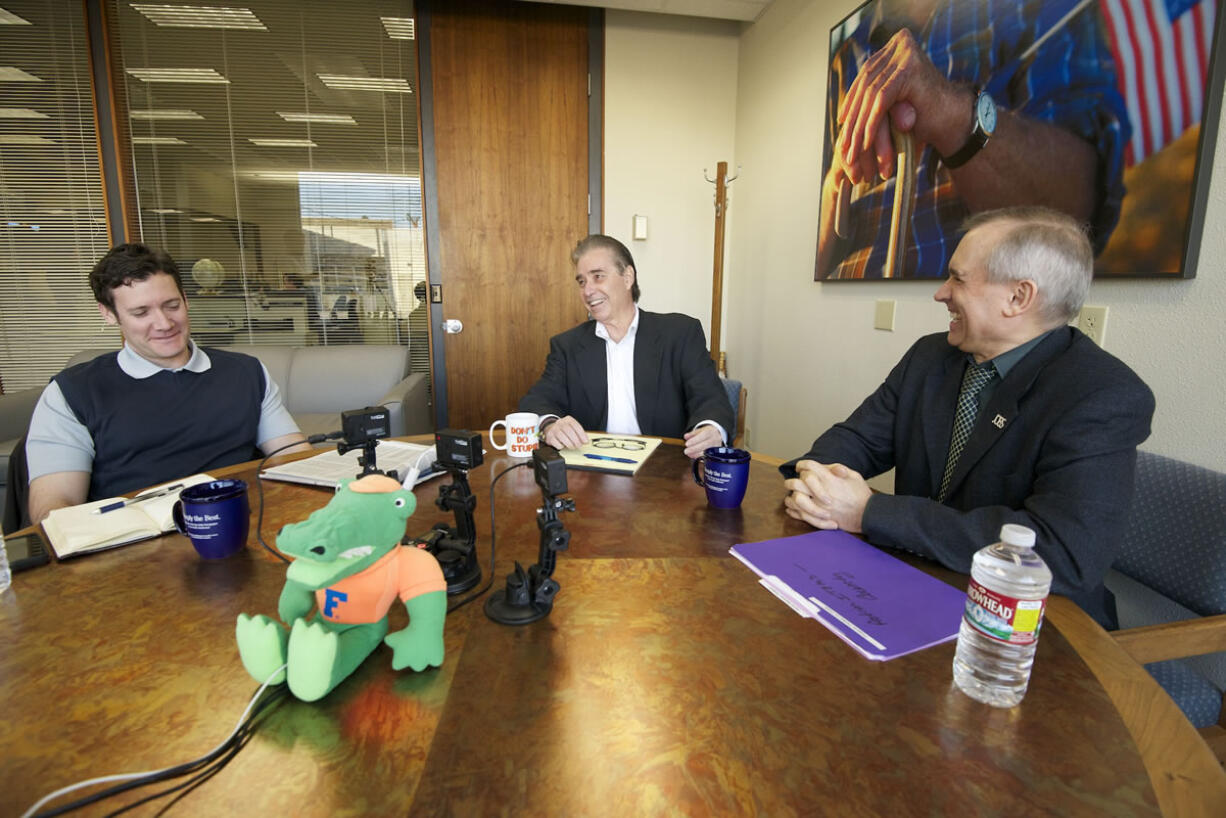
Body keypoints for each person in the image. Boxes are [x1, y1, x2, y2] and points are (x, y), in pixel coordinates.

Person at [784, 207, 1154, 629]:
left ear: (1019, 297)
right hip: (910, 587)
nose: (941, 293)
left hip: (1029, 626)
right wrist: (819, 484)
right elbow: (855, 441)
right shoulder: (930, 356)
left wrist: (870, 512)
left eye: (958, 278)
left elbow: (1064, 554)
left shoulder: (1102, 395)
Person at [818, 0, 1130, 279]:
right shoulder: (847, 58)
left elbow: (1081, 208)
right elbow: (816, 263)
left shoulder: (1033, 8)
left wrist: (953, 113)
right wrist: (835, 186)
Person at [25, 243, 311, 523]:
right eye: (141, 313)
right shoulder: (73, 392)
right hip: (130, 546)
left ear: (185, 299)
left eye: (171, 305)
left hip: (241, 524)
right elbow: (53, 508)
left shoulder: (246, 373)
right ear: (108, 314)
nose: (163, 323)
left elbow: (293, 457)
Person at [519, 235, 735, 460]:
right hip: (592, 472)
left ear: (627, 277)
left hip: (663, 471)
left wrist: (711, 429)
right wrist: (550, 424)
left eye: (598, 276)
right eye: (582, 281)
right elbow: (536, 401)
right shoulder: (567, 346)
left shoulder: (680, 333)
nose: (587, 290)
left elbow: (710, 398)